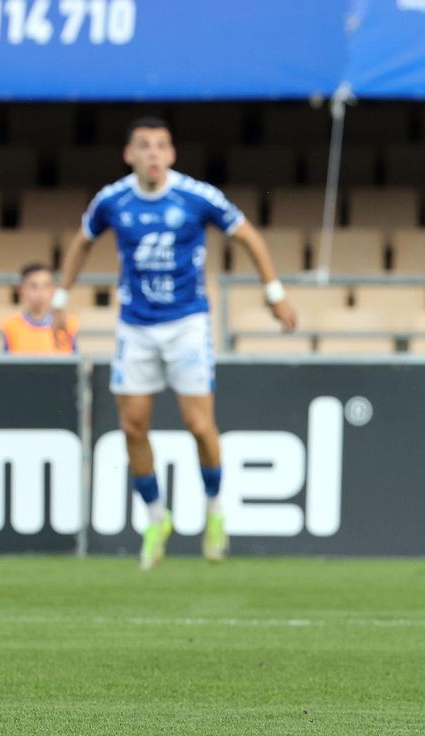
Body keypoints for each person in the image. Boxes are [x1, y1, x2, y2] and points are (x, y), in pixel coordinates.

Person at [55, 116, 298, 569]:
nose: (153, 154)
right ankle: (155, 518)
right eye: (144, 146)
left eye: (161, 146)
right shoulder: (113, 200)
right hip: (136, 325)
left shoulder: (196, 196)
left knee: (199, 425)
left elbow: (248, 235)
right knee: (132, 426)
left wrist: (274, 294)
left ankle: (215, 510)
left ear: (172, 154)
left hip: (187, 323)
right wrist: (61, 298)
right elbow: (81, 242)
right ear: (130, 154)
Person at [1, 263, 78, 354]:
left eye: (46, 286)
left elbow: (75, 361)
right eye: (33, 286)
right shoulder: (11, 326)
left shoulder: (67, 324)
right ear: (21, 291)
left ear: (53, 290)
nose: (40, 292)